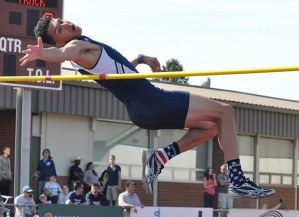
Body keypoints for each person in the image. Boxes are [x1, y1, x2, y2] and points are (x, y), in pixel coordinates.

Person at [20, 16, 276, 199]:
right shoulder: (74, 48)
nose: (66, 25)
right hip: (151, 101)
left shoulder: (83, 50)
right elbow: (62, 54)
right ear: (59, 40)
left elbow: (118, 69)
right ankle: (238, 181)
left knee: (211, 127)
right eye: (60, 29)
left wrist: (140, 59)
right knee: (225, 112)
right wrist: (44, 55)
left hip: (142, 107)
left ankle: (160, 157)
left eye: (62, 22)